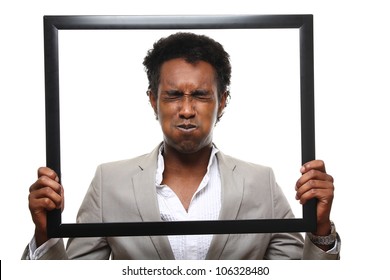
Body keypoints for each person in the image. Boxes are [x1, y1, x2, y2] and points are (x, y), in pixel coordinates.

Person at [23, 32, 340, 260]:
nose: (186, 110)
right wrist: (45, 234)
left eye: (201, 95)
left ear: (222, 101)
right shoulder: (110, 182)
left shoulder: (260, 182)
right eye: (173, 95)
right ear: (153, 100)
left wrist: (321, 227)